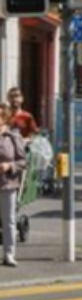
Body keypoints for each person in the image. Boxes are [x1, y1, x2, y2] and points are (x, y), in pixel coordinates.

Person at [0, 103, 26, 267]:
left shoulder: (13, 136)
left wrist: (9, 166)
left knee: (8, 220)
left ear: (4, 118)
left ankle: (9, 254)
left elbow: (23, 161)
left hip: (7, 184)